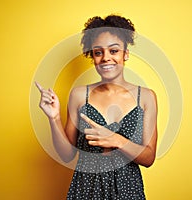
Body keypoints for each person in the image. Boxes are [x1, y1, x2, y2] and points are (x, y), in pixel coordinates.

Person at [35, 14, 158, 200]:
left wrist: (116, 140)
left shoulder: (146, 97)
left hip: (128, 189)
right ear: (92, 56)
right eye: (98, 52)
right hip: (86, 187)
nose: (106, 58)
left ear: (125, 54)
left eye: (114, 51)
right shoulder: (79, 95)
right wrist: (54, 118)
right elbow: (67, 154)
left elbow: (148, 158)